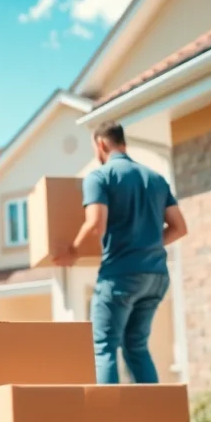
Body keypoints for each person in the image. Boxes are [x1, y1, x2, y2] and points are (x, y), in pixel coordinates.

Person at [53, 121, 188, 385]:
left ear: (101, 144)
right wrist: (147, 242)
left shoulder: (100, 177)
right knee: (136, 347)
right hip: (156, 277)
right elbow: (179, 227)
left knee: (103, 346)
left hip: (120, 276)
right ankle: (153, 415)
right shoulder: (156, 178)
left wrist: (73, 252)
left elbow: (95, 223)